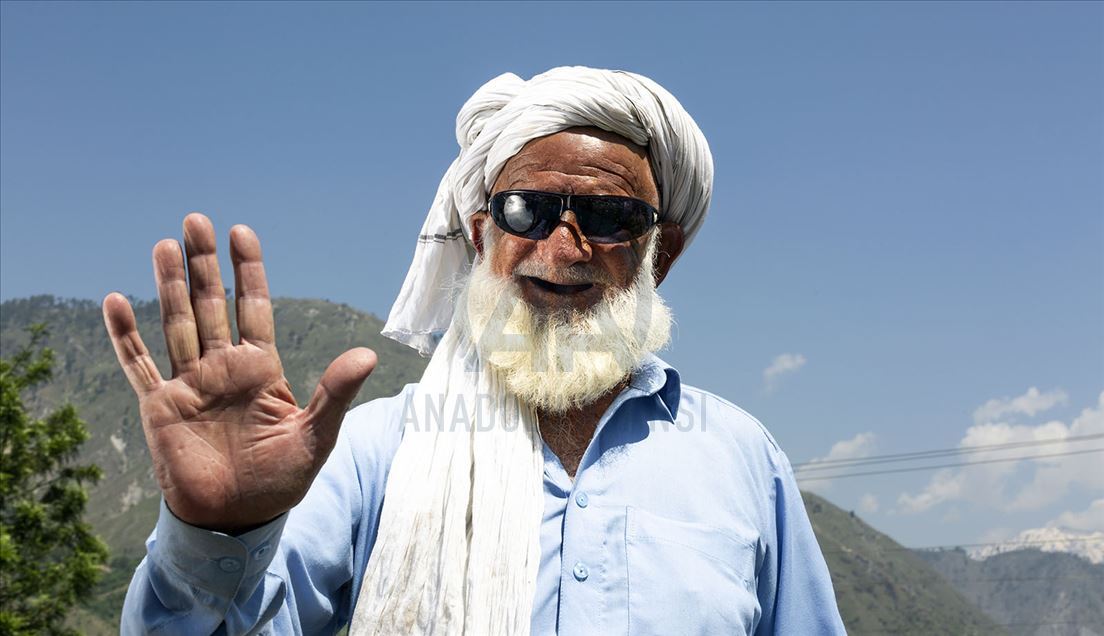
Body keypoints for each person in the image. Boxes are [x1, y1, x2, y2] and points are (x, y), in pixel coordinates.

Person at [104, 66, 845, 635]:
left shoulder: (742, 460)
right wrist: (218, 534)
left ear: (662, 252)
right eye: (527, 210)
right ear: (482, 233)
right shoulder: (378, 452)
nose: (563, 248)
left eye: (609, 217)